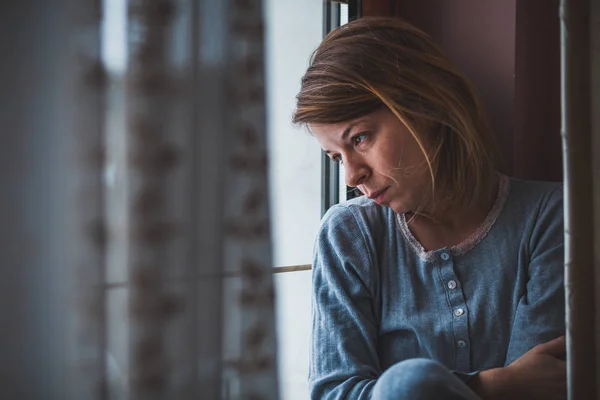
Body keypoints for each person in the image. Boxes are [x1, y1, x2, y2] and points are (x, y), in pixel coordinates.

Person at [293, 17, 565, 400]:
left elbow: (542, 386)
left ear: (424, 107)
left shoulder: (549, 218)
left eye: (360, 138)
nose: (352, 176)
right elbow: (334, 392)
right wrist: (492, 385)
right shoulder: (348, 236)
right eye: (336, 157)